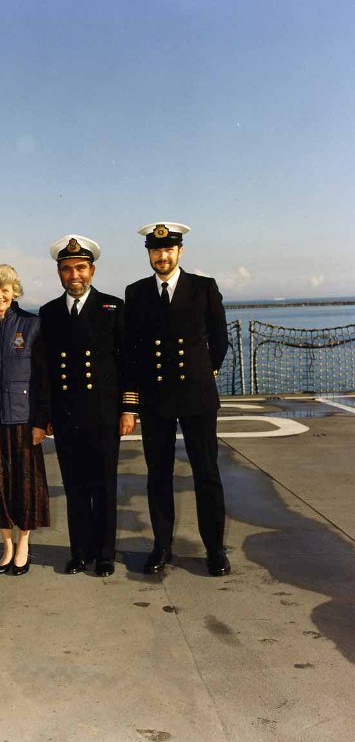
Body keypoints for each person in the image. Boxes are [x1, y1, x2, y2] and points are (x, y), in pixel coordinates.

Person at [124, 222, 230, 576]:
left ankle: (215, 549)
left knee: (207, 473)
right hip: (156, 399)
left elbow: (220, 340)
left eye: (168, 249)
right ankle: (162, 547)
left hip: (197, 396)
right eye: (156, 250)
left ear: (180, 251)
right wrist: (133, 400)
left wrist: (204, 373)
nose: (162, 256)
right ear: (149, 254)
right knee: (158, 475)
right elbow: (132, 350)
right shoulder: (136, 293)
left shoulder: (203, 288)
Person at [32, 235, 136, 577]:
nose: (73, 275)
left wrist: (129, 408)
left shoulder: (112, 307)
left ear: (91, 270)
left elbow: (128, 362)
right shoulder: (49, 312)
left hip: (103, 414)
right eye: (66, 269)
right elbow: (44, 369)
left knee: (104, 486)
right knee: (74, 486)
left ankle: (104, 554)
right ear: (59, 273)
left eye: (80, 267)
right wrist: (45, 414)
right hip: (66, 415)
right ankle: (79, 552)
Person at [0, 264, 50, 576]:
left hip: (23, 420)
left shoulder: (32, 324)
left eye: (5, 289)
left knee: (25, 486)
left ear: (15, 292)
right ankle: (6, 545)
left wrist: (41, 421)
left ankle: (24, 543)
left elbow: (43, 378)